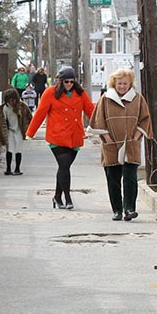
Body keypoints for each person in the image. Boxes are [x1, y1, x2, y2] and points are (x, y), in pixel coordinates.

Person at [25, 67, 95, 209]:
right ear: (60, 81)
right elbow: (40, 113)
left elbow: (91, 111)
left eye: (71, 81)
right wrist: (30, 133)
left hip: (74, 135)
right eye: (66, 81)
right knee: (64, 166)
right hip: (56, 136)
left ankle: (57, 197)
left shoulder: (80, 93)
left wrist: (105, 128)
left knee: (64, 167)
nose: (69, 84)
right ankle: (68, 199)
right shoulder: (50, 92)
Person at [90, 67, 152, 221]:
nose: (122, 86)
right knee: (113, 178)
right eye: (119, 83)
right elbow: (98, 121)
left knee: (130, 178)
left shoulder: (138, 99)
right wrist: (108, 140)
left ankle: (129, 209)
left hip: (130, 144)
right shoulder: (105, 99)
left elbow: (145, 119)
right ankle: (117, 210)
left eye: (125, 83)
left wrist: (136, 137)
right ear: (114, 83)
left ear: (130, 84)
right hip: (111, 144)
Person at [0, 88, 32, 176]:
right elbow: (2, 121)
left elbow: (30, 117)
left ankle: (17, 168)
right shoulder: (4, 108)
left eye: (13, 100)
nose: (11, 102)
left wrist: (27, 128)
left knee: (18, 150)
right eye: (9, 100)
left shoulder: (22, 107)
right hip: (10, 131)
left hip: (19, 131)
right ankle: (8, 168)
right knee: (9, 149)